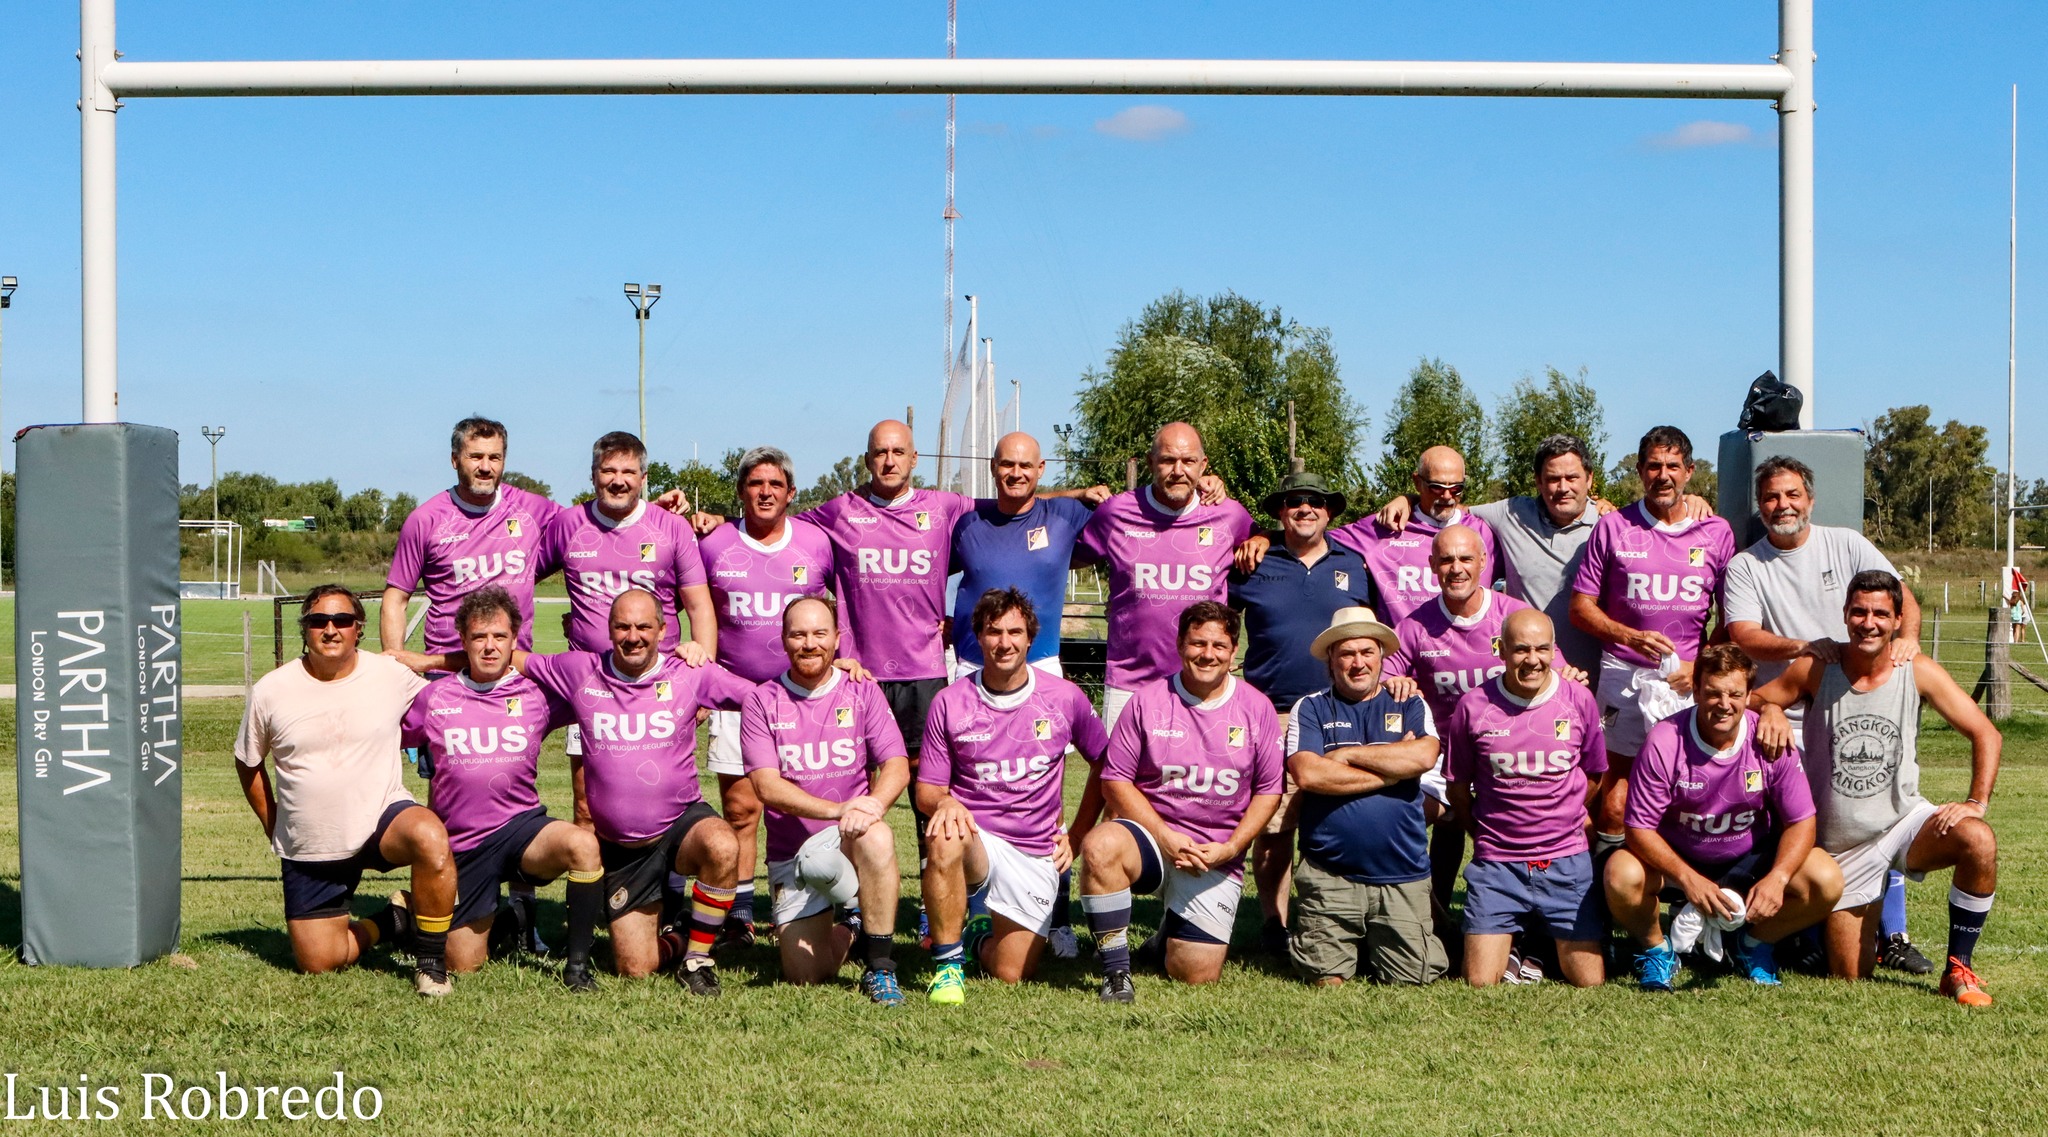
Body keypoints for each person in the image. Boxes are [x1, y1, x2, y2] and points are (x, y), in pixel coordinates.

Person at [410, 589, 755, 995]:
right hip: (620, 849)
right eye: (622, 627)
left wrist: (822, 683)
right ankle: (681, 934)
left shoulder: (689, 672)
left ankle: (697, 959)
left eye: (644, 627)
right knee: (634, 967)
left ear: (663, 630)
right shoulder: (579, 671)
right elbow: (502, 658)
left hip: (679, 823)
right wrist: (429, 662)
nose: (633, 636)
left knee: (722, 844)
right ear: (608, 631)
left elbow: (761, 698)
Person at [1720, 455, 1932, 974]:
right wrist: (1805, 649)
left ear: (1810, 500)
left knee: (1882, 808)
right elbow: (1742, 634)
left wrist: (1907, 642)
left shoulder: (1847, 544)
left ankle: (1894, 935)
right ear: (1759, 506)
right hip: (1786, 713)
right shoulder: (1746, 565)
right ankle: (1799, 930)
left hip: (1857, 707)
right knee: (1806, 828)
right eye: (1771, 497)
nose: (1782, 505)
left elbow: (1902, 599)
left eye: (1792, 494)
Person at [1751, 571, 2002, 1006]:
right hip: (1841, 847)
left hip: (1903, 824)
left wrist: (1975, 802)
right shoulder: (1817, 668)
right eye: (1859, 612)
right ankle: (1820, 930)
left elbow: (1986, 734)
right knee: (1850, 975)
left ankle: (1958, 968)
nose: (1869, 623)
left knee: (1977, 841)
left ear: (1898, 620)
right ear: (1845, 614)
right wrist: (1772, 709)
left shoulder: (1916, 670)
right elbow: (1754, 698)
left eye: (1881, 614)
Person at [235, 584, 456, 996]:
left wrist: (428, 660)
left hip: (381, 820)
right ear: (305, 629)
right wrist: (273, 823)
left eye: (342, 620)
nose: (331, 629)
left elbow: (466, 682)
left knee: (429, 836)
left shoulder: (389, 674)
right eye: (319, 620)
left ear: (359, 628)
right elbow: (248, 763)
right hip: (312, 841)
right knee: (319, 962)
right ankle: (393, 920)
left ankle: (431, 964)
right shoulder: (271, 689)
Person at [945, 430, 1108, 959]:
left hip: (1040, 665)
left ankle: (1057, 916)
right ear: (993, 468)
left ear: (1041, 470)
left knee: (1043, 788)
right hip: (972, 666)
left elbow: (1136, 513)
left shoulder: (1066, 515)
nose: (1015, 473)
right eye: (1006, 465)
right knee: (966, 786)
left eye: (1025, 465)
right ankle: (957, 909)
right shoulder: (966, 521)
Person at [1386, 525, 1576, 970]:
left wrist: (1571, 677)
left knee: (1534, 826)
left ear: (1484, 563)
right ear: (1432, 567)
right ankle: (1432, 919)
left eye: (1465, 559)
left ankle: (1541, 928)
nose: (1456, 569)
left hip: (1509, 756)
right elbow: (1387, 671)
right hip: (1442, 757)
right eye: (1446, 560)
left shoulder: (1514, 616)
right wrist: (1396, 681)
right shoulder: (1416, 625)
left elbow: (1557, 674)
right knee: (1400, 818)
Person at [399, 586, 606, 992]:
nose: (490, 646)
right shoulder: (434, 697)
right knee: (463, 963)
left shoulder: (538, 694)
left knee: (582, 845)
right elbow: (387, 737)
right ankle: (502, 920)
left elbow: (598, 680)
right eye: (479, 637)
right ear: (463, 641)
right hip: (463, 844)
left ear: (515, 640)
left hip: (521, 829)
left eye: (499, 636)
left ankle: (577, 968)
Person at [1605, 644, 1843, 991]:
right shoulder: (1665, 740)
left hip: (1748, 858)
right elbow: (1638, 828)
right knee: (1620, 874)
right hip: (1678, 859)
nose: (1724, 704)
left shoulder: (1769, 737)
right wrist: (1688, 878)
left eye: (1734, 694)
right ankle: (1657, 950)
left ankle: (1753, 944)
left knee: (1826, 879)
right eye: (1713, 693)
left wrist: (1778, 878)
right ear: (1696, 691)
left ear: (1749, 695)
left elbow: (1801, 821)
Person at [1371, 435, 1714, 673]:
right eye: (1552, 479)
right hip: (1529, 672)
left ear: (1589, 479)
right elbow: (1448, 504)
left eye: (1572, 477)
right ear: (1537, 481)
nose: (1562, 488)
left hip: (1601, 673)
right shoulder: (1509, 513)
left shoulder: (1614, 524)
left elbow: (1663, 516)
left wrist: (1689, 500)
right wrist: (1408, 499)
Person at [1081, 602, 1283, 1001]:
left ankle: (1164, 937)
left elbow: (1269, 791)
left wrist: (1231, 848)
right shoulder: (1147, 701)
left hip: (1213, 854)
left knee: (1194, 973)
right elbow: (1115, 781)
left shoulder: (1256, 707)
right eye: (1197, 643)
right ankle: (1116, 973)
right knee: (1100, 845)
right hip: (1152, 840)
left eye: (1218, 645)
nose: (1207, 654)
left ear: (1234, 651)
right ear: (1179, 645)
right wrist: (1165, 837)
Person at [918, 588, 1110, 1004]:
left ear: (1030, 638)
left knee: (1012, 971)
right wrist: (945, 802)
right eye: (994, 632)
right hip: (977, 840)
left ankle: (976, 936)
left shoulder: (1064, 697)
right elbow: (927, 789)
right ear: (978, 637)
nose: (1004, 642)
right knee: (944, 833)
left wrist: (1077, 836)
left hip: (1034, 850)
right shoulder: (949, 702)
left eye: (1014, 632)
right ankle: (948, 966)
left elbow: (1106, 765)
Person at [1225, 470, 1377, 955]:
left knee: (1344, 816)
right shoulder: (1252, 563)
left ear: (1329, 512)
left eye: (1315, 501)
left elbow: (1378, 633)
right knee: (1275, 825)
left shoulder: (1355, 564)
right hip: (1273, 712)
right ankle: (1275, 922)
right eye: (1294, 501)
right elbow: (1219, 625)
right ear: (1280, 511)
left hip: (1342, 710)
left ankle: (1344, 916)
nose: (1305, 508)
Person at [695, 446, 839, 946]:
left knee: (806, 803)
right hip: (735, 697)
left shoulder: (817, 542)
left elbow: (848, 605)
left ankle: (821, 903)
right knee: (740, 810)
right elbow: (688, 604)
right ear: (741, 491)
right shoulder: (713, 543)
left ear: (791, 493)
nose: (765, 492)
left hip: (805, 699)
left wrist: (847, 658)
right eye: (756, 483)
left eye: (775, 484)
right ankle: (739, 914)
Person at [741, 596, 911, 1005]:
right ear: (784, 639)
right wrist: (838, 809)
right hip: (793, 853)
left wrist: (872, 806)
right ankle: (854, 923)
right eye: (798, 634)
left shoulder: (862, 690)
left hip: (849, 837)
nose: (809, 644)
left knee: (877, 836)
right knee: (804, 975)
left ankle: (880, 966)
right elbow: (766, 785)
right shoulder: (761, 700)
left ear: (837, 638)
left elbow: (896, 765)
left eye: (820, 633)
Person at [1569, 426, 1735, 844]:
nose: (1663, 476)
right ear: (1640, 471)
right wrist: (1629, 637)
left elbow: (1732, 619)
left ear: (1689, 472)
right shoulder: (1613, 527)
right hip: (1623, 674)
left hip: (1687, 680)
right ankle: (1610, 878)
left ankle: (1680, 878)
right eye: (1654, 466)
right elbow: (1580, 607)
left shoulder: (1716, 532)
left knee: (1690, 790)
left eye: (1673, 466)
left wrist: (1699, 667)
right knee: (1615, 799)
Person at [1283, 607, 1447, 986]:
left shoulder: (1409, 702)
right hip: (1330, 873)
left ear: (1381, 655)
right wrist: (1393, 770)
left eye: (1367, 652)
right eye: (1347, 653)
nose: (1358, 663)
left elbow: (1424, 756)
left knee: (1411, 980)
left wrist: (1345, 755)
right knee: (1325, 978)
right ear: (1331, 659)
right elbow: (1309, 773)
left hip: (1401, 872)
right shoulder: (1311, 707)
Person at [1443, 609, 1608, 988]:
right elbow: (1458, 788)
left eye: (1542, 649)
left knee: (1589, 981)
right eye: (1520, 650)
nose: (1532, 660)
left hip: (1565, 860)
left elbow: (1595, 774)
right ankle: (1517, 940)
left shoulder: (1578, 699)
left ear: (1553, 650)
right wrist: (1485, 834)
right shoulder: (1473, 706)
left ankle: (1539, 942)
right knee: (1480, 981)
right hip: (1498, 863)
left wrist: (1569, 812)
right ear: (1501, 650)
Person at [1076, 422, 1256, 733]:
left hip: (1205, 680)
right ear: (1150, 463)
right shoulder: (1116, 512)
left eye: (1188, 461)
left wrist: (1262, 538)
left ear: (1203, 465)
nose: (1178, 470)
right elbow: (1063, 556)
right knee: (1118, 765)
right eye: (1168, 460)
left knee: (1200, 765)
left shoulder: (1229, 515)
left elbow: (1270, 540)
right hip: (1129, 682)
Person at [1238, 446, 1498, 627]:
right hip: (1401, 671)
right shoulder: (1382, 527)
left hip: (1465, 666)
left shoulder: (1485, 532)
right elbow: (1310, 534)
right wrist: (1266, 537)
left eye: (1456, 488)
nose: (1447, 496)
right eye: (1437, 487)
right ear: (1417, 482)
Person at [541, 431, 716, 662]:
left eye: (628, 472)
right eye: (608, 471)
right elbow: (519, 579)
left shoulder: (672, 527)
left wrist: (705, 671)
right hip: (588, 673)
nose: (618, 481)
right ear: (593, 476)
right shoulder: (568, 524)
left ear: (643, 478)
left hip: (658, 674)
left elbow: (699, 607)